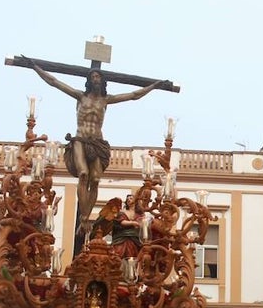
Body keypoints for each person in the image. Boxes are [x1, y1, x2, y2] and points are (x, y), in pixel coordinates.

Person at [22, 58, 171, 243]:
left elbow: (134, 95)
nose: (95, 79)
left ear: (102, 81)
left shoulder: (106, 100)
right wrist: (35, 66)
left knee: (95, 179)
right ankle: (84, 218)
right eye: (92, 76)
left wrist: (154, 86)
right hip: (79, 139)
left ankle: (86, 217)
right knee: (84, 174)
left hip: (97, 142)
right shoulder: (80, 96)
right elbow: (54, 82)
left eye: (98, 76)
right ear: (89, 80)